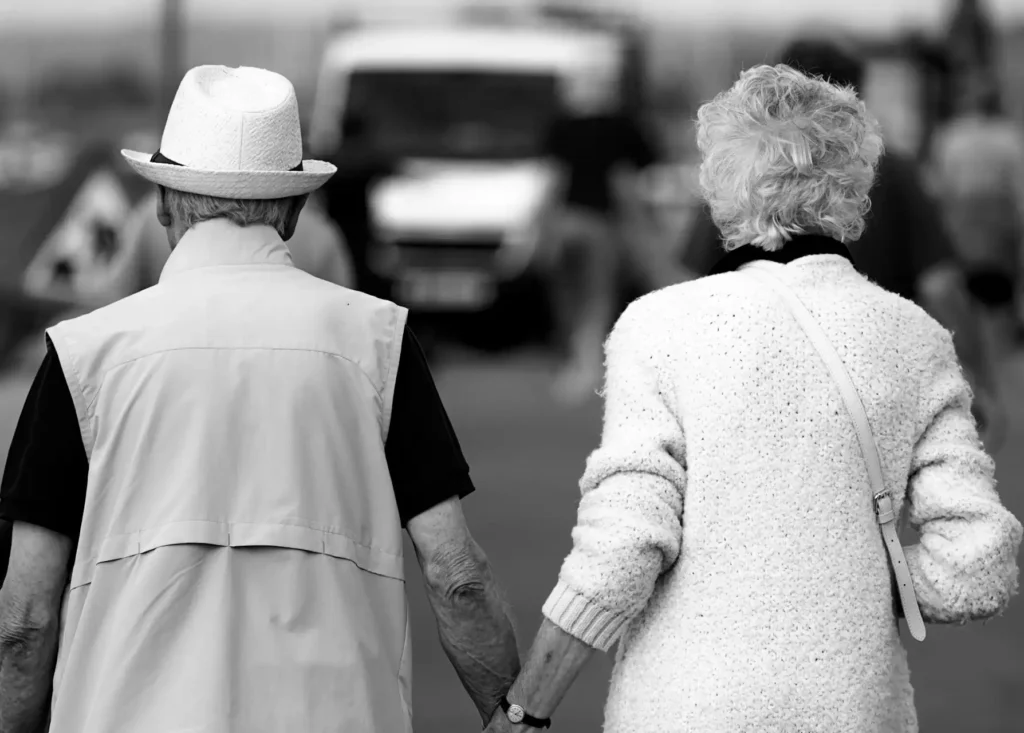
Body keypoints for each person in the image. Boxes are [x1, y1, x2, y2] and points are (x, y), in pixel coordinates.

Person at [485, 64, 1021, 733]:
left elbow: (623, 542)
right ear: (856, 182)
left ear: (720, 185)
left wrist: (524, 708)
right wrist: (849, 576)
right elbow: (980, 561)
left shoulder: (658, 325)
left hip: (683, 706)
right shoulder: (915, 339)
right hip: (851, 709)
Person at [0, 65, 520, 733]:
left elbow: (23, 617)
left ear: (161, 202)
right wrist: (514, 715)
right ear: (294, 209)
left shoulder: (82, 353)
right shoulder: (378, 339)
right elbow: (457, 574)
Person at [678, 38, 1005, 445]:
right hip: (874, 383)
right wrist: (976, 381)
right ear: (851, 100)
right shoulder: (893, 171)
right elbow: (942, 287)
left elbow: (690, 281)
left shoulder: (736, 170)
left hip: (757, 378)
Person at [541, 64, 661, 402]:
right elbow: (626, 182)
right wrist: (645, 230)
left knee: (568, 296)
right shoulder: (623, 127)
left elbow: (554, 181)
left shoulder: (562, 126)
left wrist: (543, 228)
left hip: (568, 221)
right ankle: (588, 365)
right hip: (604, 225)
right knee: (597, 297)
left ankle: (577, 363)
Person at [930, 82, 1024, 344]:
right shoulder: (1009, 136)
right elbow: (1018, 183)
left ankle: (975, 342)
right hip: (1000, 217)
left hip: (963, 217)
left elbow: (941, 184)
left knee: (967, 284)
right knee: (1003, 286)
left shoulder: (951, 136)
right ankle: (1003, 342)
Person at [123, 187, 356, 291]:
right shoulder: (321, 232)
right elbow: (346, 310)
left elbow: (118, 289)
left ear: (161, 202)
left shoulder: (144, 220)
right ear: (295, 210)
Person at [319, 115, 398, 296]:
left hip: (336, 229)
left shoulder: (331, 161)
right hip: (361, 232)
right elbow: (391, 167)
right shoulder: (367, 160)